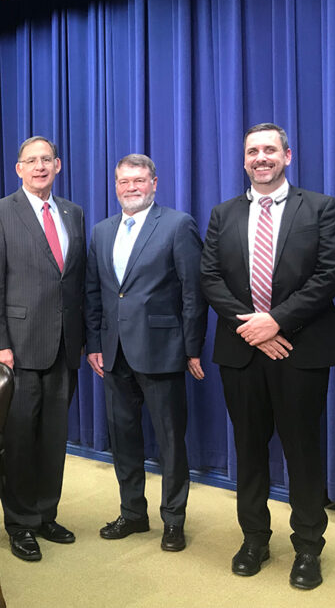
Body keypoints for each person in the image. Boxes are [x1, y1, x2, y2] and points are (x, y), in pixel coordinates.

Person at [200, 123, 335, 589]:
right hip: (242, 351)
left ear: (287, 155)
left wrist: (277, 322)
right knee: (248, 450)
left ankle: (308, 547)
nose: (260, 157)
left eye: (270, 149)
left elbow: (330, 275)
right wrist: (255, 328)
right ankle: (254, 540)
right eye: (252, 151)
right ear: (244, 160)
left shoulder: (320, 207)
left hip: (301, 350)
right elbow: (209, 279)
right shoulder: (222, 214)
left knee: (302, 451)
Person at [85, 154, 207, 553]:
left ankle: (174, 520)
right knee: (123, 439)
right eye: (124, 181)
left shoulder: (177, 224)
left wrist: (192, 347)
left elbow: (193, 292)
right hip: (113, 354)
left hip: (163, 351)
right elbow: (95, 294)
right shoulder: (102, 232)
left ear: (155, 182)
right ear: (115, 185)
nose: (131, 187)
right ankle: (133, 513)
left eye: (139, 180)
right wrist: (94, 345)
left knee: (171, 441)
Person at [0, 136, 87, 562]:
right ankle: (20, 522)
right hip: (17, 350)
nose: (39, 166)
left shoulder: (73, 213)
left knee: (54, 438)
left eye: (47, 159)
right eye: (31, 160)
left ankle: (45, 513)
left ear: (58, 166)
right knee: (20, 439)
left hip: (64, 348)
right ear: (18, 168)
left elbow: (75, 283)